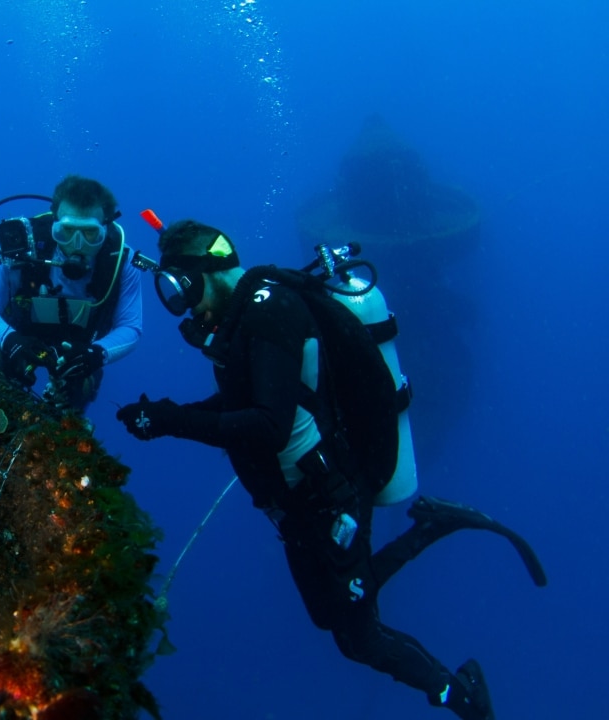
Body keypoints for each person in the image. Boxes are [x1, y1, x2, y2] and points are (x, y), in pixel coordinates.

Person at [115, 219, 545, 720]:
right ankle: (431, 527)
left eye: (180, 293)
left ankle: (461, 697)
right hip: (295, 505)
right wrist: (168, 413)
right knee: (329, 616)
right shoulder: (242, 320)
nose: (186, 309)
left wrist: (171, 421)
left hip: (328, 497)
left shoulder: (268, 312)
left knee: (359, 638)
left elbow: (269, 425)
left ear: (198, 275)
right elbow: (246, 400)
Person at [0, 175, 144, 414]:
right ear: (54, 223)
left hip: (81, 349)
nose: (77, 244)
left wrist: (97, 354)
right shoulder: (22, 249)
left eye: (90, 234)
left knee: (73, 400)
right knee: (3, 396)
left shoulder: (120, 263)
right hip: (22, 337)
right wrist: (9, 340)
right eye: (67, 231)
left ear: (105, 227)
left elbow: (131, 326)